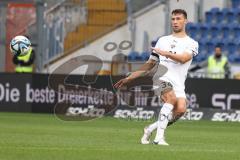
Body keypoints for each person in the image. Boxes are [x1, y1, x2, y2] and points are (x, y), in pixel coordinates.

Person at [114, 9, 198, 145]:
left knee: (181, 109)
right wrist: (131, 77)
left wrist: (164, 53)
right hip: (161, 77)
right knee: (170, 99)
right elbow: (149, 64)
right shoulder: (162, 41)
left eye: (178, 19)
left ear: (185, 21)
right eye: (173, 19)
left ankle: (150, 128)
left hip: (178, 82)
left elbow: (183, 59)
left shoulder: (192, 43)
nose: (175, 22)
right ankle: (159, 138)